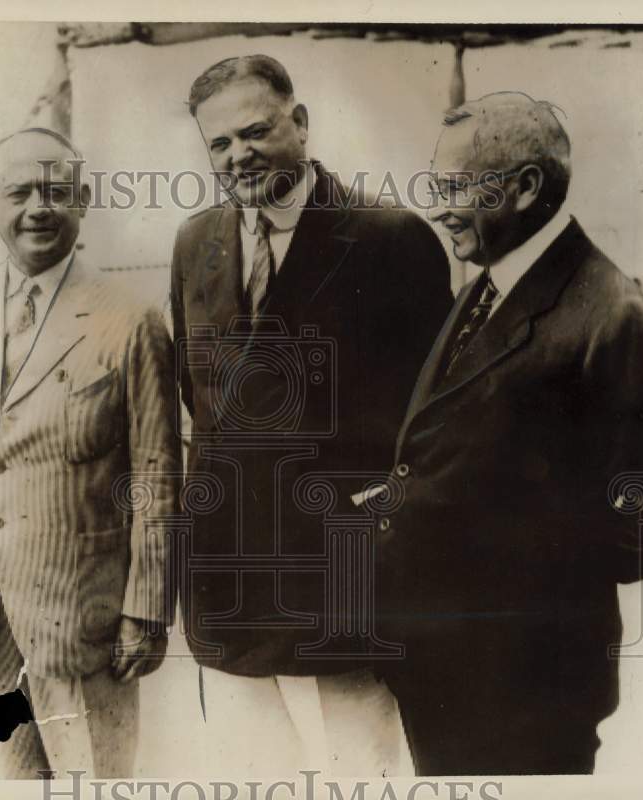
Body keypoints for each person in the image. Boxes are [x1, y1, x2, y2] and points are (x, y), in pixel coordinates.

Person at [380, 92, 643, 774]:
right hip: (447, 669)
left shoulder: (614, 315)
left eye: (454, 188)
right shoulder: (491, 280)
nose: (438, 206)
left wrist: (477, 528)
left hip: (526, 687)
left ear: (525, 188)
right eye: (433, 186)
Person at [169, 55, 452, 776]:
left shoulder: (391, 238)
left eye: (256, 130)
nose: (241, 154)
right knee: (251, 768)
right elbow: (194, 395)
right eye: (220, 145)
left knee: (363, 764)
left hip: (342, 574)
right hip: (227, 573)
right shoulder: (195, 242)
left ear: (300, 123)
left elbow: (437, 419)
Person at [0, 128, 181, 778]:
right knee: (9, 785)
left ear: (83, 200)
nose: (38, 208)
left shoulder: (130, 319)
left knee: (98, 783)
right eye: (18, 192)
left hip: (87, 620)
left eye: (56, 191)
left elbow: (159, 474)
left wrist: (147, 609)